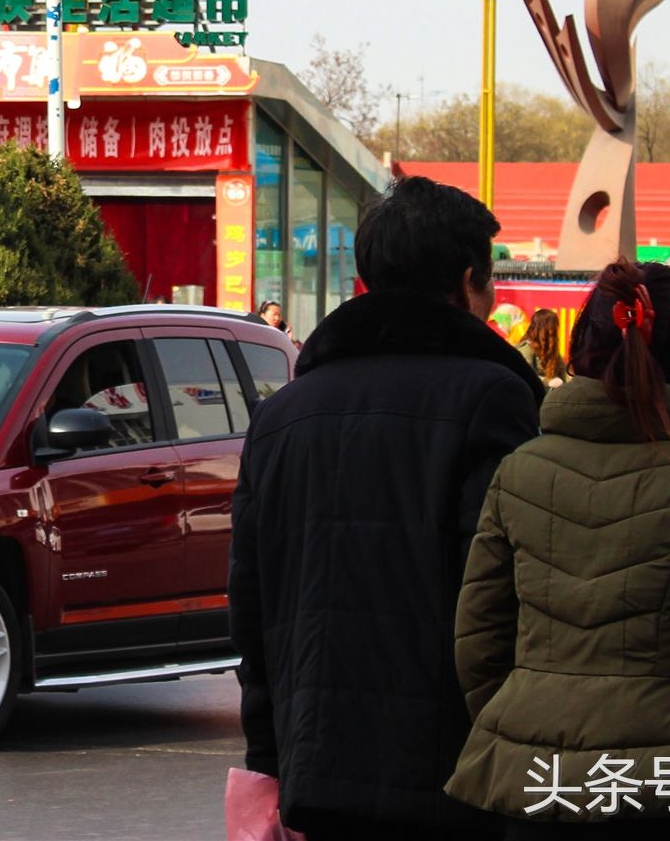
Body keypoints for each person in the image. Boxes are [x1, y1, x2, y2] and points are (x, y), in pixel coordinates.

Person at [228, 176, 544, 841]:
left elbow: (250, 607)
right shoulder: (493, 400)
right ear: (466, 283)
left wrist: (269, 757)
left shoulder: (283, 415)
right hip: (451, 776)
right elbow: (502, 600)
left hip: (313, 771)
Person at [447, 262, 670, 841]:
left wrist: (525, 730)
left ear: (583, 353)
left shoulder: (521, 473)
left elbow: (479, 645)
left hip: (537, 790)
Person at [523, 309, 568, 388]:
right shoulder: (526, 349)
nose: (554, 332)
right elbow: (525, 376)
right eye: (551, 328)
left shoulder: (550, 349)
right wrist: (548, 382)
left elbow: (564, 372)